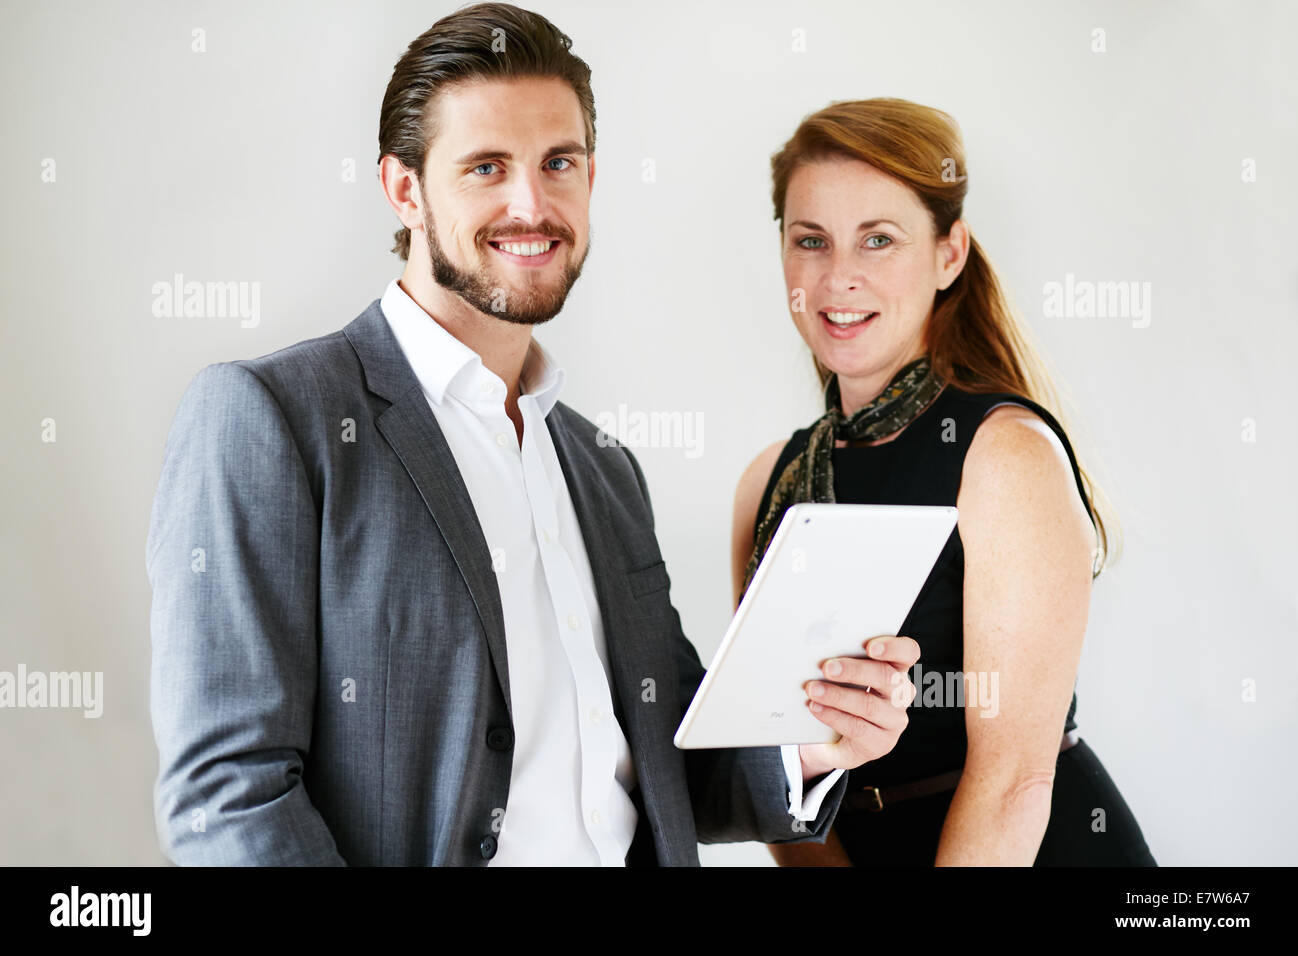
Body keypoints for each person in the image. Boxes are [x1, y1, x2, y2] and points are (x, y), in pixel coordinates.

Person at [146, 3, 920, 866]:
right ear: (405, 190)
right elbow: (229, 797)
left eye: (559, 162)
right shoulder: (271, 418)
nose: (532, 204)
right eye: (486, 167)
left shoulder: (602, 465)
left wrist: (815, 743)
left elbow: (669, 766)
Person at [731, 98, 1157, 866]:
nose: (839, 277)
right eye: (811, 242)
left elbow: (1014, 783)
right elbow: (769, 776)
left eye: (879, 240)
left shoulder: (1002, 455)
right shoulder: (769, 483)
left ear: (949, 254)